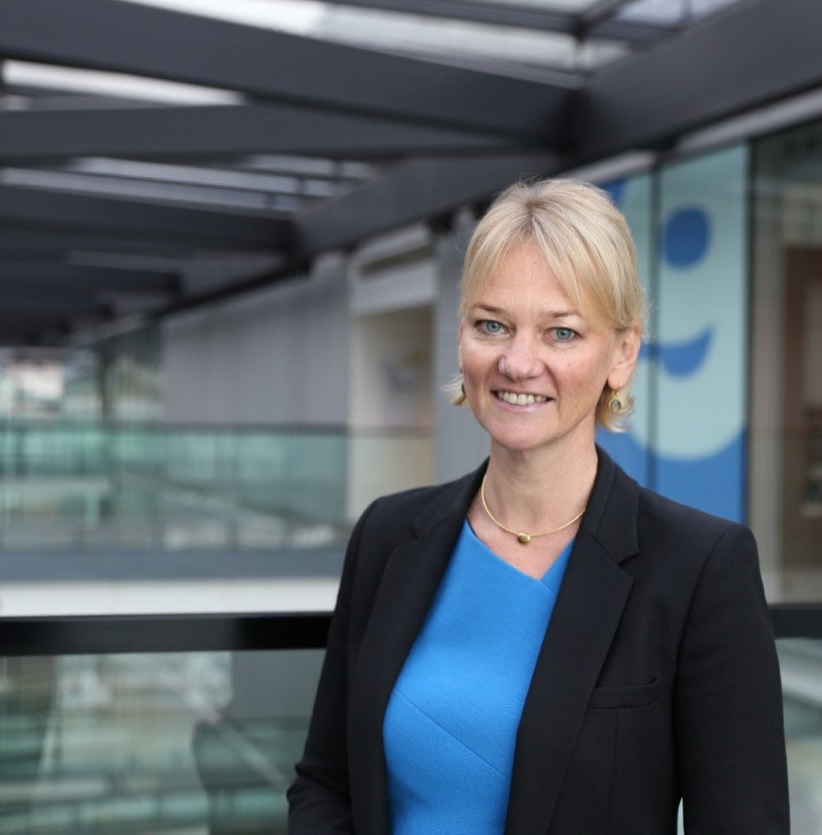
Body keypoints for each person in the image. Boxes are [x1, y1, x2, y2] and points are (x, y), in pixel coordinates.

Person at [288, 178, 789, 834]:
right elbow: (326, 781)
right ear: (462, 338)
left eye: (561, 332)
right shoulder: (388, 535)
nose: (518, 362)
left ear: (623, 352)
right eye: (492, 324)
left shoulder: (699, 568)